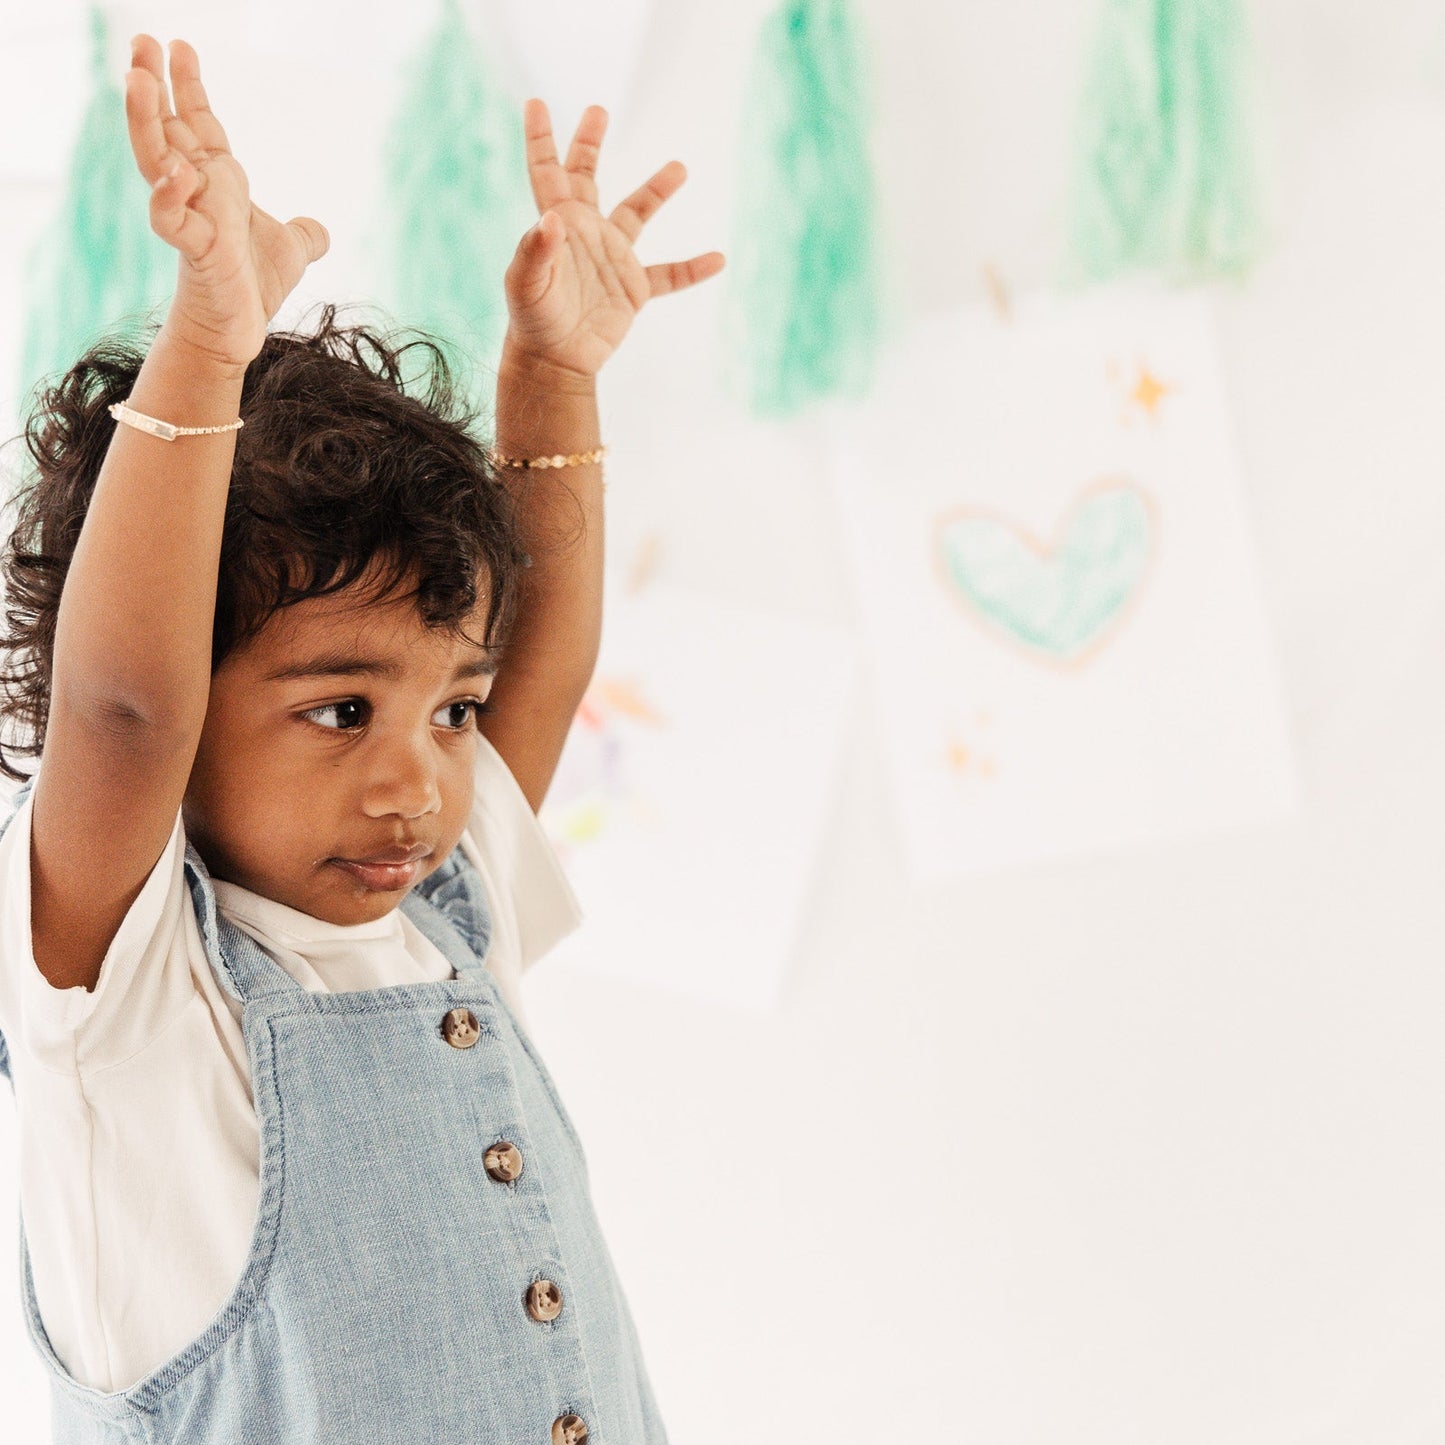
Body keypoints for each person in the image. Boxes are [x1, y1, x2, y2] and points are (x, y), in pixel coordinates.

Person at [0, 31, 723, 1444]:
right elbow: (123, 709)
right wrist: (206, 343)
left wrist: (553, 375)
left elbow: (541, 659)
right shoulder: (129, 1008)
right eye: (338, 710)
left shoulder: (446, 915)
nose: (416, 779)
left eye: (446, 710)